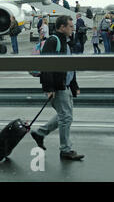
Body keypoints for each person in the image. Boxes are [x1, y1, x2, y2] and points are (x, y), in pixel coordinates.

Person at [31, 15, 84, 161]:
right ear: (62, 27)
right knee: (66, 117)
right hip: (57, 87)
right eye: (71, 26)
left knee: (64, 115)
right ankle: (65, 150)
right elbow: (46, 66)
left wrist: (74, 85)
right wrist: (49, 88)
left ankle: (40, 133)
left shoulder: (65, 42)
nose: (73, 29)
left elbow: (69, 67)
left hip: (64, 86)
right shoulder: (53, 41)